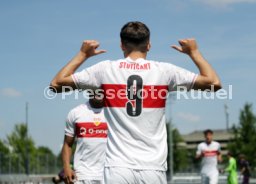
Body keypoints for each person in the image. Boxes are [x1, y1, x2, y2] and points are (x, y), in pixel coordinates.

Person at [50, 21, 222, 184]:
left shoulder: (105, 69)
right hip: (153, 168)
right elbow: (214, 84)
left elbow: (56, 84)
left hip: (117, 168)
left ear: (122, 45)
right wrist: (194, 52)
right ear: (149, 45)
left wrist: (82, 55)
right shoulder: (165, 71)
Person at [62, 94, 107, 184]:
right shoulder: (75, 113)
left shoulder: (116, 113)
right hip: (82, 176)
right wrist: (66, 167)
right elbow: (67, 144)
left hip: (109, 174)